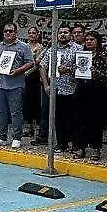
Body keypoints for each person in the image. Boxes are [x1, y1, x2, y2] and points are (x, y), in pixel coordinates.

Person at [0, 23, 35, 149]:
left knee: (16, 112)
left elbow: (30, 62)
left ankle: (16, 137)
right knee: (0, 112)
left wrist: (18, 70)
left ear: (16, 32)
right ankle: (1, 136)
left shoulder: (23, 46)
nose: (8, 33)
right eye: (5, 31)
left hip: (15, 84)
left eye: (10, 31)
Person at [72, 31, 107, 160]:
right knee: (79, 120)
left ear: (97, 41)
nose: (89, 41)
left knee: (95, 121)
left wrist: (97, 73)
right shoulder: (81, 55)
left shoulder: (103, 56)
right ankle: (80, 148)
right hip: (81, 89)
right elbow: (74, 71)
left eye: (92, 39)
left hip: (97, 92)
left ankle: (95, 148)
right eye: (87, 39)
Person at [38, 25, 79, 153]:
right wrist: (46, 84)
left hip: (72, 88)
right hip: (55, 89)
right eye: (60, 32)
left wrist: (69, 69)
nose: (62, 34)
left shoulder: (78, 48)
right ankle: (61, 143)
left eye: (65, 32)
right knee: (58, 118)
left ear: (70, 34)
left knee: (72, 118)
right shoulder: (51, 50)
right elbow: (42, 66)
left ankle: (74, 144)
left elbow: (83, 66)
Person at [22, 26, 43, 138]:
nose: (31, 35)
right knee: (25, 102)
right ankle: (27, 126)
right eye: (29, 33)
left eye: (34, 33)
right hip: (22, 76)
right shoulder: (24, 46)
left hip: (34, 77)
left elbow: (38, 62)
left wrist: (28, 71)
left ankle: (38, 127)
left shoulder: (40, 47)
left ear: (37, 34)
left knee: (35, 102)